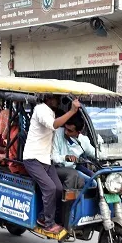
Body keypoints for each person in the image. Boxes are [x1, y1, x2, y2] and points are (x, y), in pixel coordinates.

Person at [22, 95, 81, 233]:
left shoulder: (53, 112)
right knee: (49, 188)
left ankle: (43, 216)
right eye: (55, 98)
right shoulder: (40, 109)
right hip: (33, 158)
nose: (58, 101)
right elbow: (54, 124)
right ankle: (48, 224)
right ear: (47, 98)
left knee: (59, 189)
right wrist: (72, 111)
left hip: (45, 159)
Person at [52, 114, 96, 188]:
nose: (66, 132)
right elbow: (53, 157)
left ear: (78, 132)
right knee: (74, 175)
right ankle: (67, 199)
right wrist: (65, 157)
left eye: (70, 131)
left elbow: (95, 154)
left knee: (93, 183)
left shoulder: (83, 141)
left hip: (73, 168)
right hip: (57, 168)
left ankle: (81, 199)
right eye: (65, 128)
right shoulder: (57, 133)